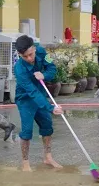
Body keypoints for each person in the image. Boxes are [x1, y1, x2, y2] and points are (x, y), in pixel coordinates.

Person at [13, 35, 63, 172]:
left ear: (34, 48)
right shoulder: (19, 69)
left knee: (47, 126)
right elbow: (32, 92)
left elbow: (52, 68)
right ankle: (25, 162)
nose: (29, 58)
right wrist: (50, 107)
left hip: (41, 93)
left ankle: (48, 157)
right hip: (25, 99)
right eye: (25, 56)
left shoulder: (42, 52)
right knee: (27, 131)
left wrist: (44, 75)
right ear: (20, 55)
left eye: (31, 54)